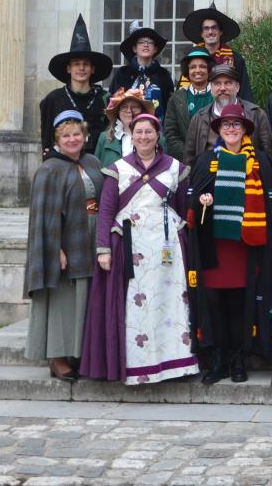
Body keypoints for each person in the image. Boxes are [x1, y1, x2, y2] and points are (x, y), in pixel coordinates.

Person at [80, 113, 200, 384]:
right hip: (130, 249)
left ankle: (176, 365)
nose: (144, 137)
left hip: (167, 250)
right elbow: (106, 211)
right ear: (131, 136)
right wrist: (103, 249)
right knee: (137, 309)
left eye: (149, 132)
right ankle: (138, 366)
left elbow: (183, 207)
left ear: (158, 136)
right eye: (139, 132)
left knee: (170, 305)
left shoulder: (175, 168)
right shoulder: (118, 169)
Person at [185, 103, 272, 384]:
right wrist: (202, 201)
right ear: (218, 130)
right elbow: (192, 198)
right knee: (213, 302)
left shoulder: (259, 161)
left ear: (245, 129)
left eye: (236, 124)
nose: (231, 129)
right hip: (213, 245)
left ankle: (238, 359)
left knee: (239, 303)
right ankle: (219, 359)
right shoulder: (206, 160)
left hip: (245, 245)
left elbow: (270, 202)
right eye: (226, 125)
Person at [23, 110, 105, 382]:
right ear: (57, 139)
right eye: (66, 135)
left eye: (76, 134)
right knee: (63, 301)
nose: (72, 139)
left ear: (85, 135)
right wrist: (54, 248)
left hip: (92, 236)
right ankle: (57, 357)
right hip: (66, 241)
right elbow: (43, 215)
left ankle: (78, 353)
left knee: (85, 299)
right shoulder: (49, 170)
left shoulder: (93, 162)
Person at [40, 14, 112, 156]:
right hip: (63, 162)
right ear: (69, 68)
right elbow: (47, 141)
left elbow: (111, 136)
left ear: (92, 69)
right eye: (76, 64)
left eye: (86, 64)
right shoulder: (53, 99)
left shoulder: (105, 99)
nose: (81, 68)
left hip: (98, 163)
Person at [184, 64, 272, 165]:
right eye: (217, 83)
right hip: (208, 173)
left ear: (237, 87)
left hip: (249, 172)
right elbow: (189, 159)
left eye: (228, 83)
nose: (222, 88)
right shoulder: (199, 117)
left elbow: (268, 157)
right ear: (211, 88)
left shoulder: (257, 114)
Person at [182, 2, 253, 103]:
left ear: (220, 32)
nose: (210, 32)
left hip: (227, 108)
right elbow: (182, 90)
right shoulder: (191, 58)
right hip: (196, 107)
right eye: (206, 28)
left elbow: (244, 92)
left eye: (214, 28)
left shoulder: (235, 59)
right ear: (201, 33)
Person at [109, 21, 173, 122]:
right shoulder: (123, 73)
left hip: (157, 126)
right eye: (141, 42)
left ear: (155, 49)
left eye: (150, 42)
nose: (146, 45)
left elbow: (169, 106)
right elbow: (114, 103)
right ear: (135, 48)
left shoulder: (163, 75)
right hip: (126, 126)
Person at [164, 48, 214, 162]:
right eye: (193, 67)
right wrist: (189, 155)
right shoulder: (176, 98)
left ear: (209, 69)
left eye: (202, 66)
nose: (197, 70)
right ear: (187, 70)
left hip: (214, 160)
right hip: (185, 161)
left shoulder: (219, 96)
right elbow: (171, 133)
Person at [96, 88, 160, 167]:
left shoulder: (155, 138)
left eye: (134, 107)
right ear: (118, 112)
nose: (129, 111)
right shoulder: (104, 138)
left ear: (142, 111)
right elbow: (96, 170)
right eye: (124, 107)